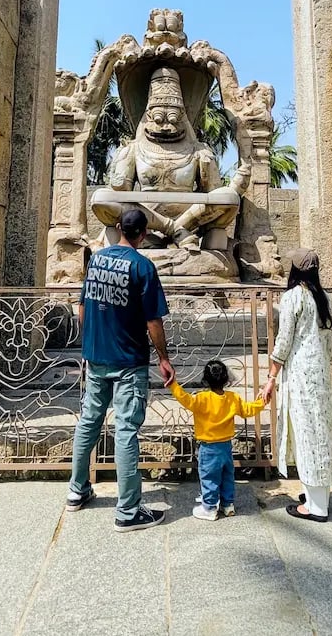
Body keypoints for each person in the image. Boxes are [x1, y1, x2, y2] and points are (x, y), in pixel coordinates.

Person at [67, 208, 176, 532]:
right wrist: (163, 358)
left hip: (97, 356)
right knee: (127, 430)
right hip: (129, 360)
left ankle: (77, 490)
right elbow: (153, 321)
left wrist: (89, 342)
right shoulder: (142, 266)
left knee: (89, 420)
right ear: (143, 234)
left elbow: (83, 305)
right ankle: (128, 510)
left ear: (117, 229)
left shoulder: (97, 260)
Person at [260, 248, 332, 522]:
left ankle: (317, 508)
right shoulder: (325, 298)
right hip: (321, 373)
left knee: (308, 435)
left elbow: (283, 342)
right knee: (320, 433)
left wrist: (270, 377)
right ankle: (316, 494)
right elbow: (329, 343)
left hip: (302, 375)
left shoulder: (293, 297)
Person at [169, 359, 266, 521]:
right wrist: (262, 401)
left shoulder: (201, 398)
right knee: (227, 476)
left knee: (209, 478)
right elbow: (248, 410)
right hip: (227, 447)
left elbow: (185, 399)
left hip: (208, 448)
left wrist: (173, 384)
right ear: (226, 379)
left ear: (205, 380)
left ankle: (209, 507)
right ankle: (228, 505)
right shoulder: (232, 398)